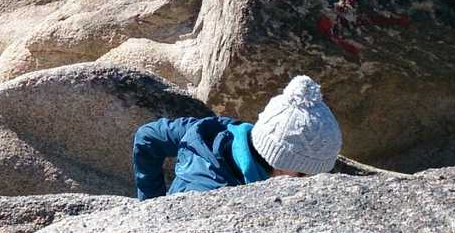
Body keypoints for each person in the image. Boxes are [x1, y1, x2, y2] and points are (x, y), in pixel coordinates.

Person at [132, 75, 341, 200]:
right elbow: (147, 138)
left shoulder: (217, 132)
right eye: (305, 175)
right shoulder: (206, 196)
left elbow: (148, 136)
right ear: (279, 163)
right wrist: (153, 207)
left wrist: (150, 200)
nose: (311, 183)